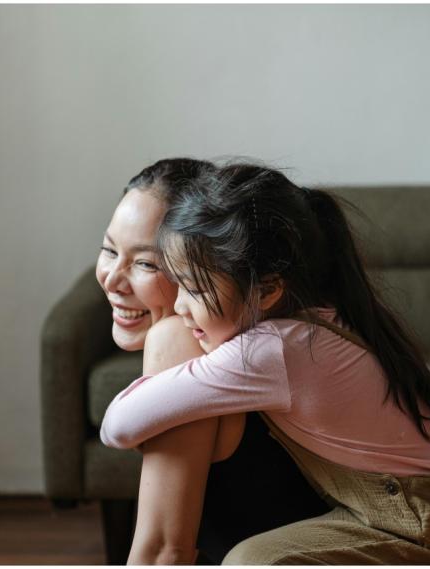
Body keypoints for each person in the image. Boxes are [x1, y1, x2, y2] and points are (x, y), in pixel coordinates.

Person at [101, 162, 430, 564]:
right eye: (108, 249)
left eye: (191, 285)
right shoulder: (307, 320)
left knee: (252, 562)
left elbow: (117, 425)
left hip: (427, 526)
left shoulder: (273, 349)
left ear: (269, 289)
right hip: (413, 512)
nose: (181, 306)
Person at [96, 158, 332, 565]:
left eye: (146, 263)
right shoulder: (261, 331)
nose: (113, 280)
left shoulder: (177, 339)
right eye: (109, 250)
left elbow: (163, 550)